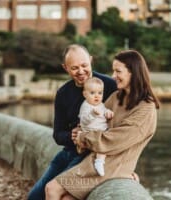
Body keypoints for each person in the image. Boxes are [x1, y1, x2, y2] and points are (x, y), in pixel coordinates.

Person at [45, 49, 160, 200]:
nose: (113, 76)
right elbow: (93, 120)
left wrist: (82, 137)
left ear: (133, 72)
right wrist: (81, 132)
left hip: (112, 168)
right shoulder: (116, 97)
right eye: (113, 71)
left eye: (118, 71)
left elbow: (115, 140)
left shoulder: (146, 108)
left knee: (52, 189)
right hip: (97, 160)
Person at [27, 44, 117, 200]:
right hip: (67, 152)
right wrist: (72, 135)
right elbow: (57, 134)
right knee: (34, 196)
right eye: (74, 68)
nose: (81, 72)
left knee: (57, 193)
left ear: (91, 60)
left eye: (84, 65)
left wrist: (126, 167)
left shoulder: (109, 85)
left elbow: (126, 128)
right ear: (65, 68)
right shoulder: (63, 93)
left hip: (89, 155)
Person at [76, 77, 114, 176]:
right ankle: (99, 162)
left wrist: (108, 112)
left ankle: (101, 160)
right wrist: (92, 114)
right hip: (91, 132)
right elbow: (84, 120)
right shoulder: (86, 106)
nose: (96, 96)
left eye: (100, 93)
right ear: (85, 94)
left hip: (101, 130)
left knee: (110, 141)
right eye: (92, 93)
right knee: (102, 146)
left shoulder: (100, 104)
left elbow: (104, 111)